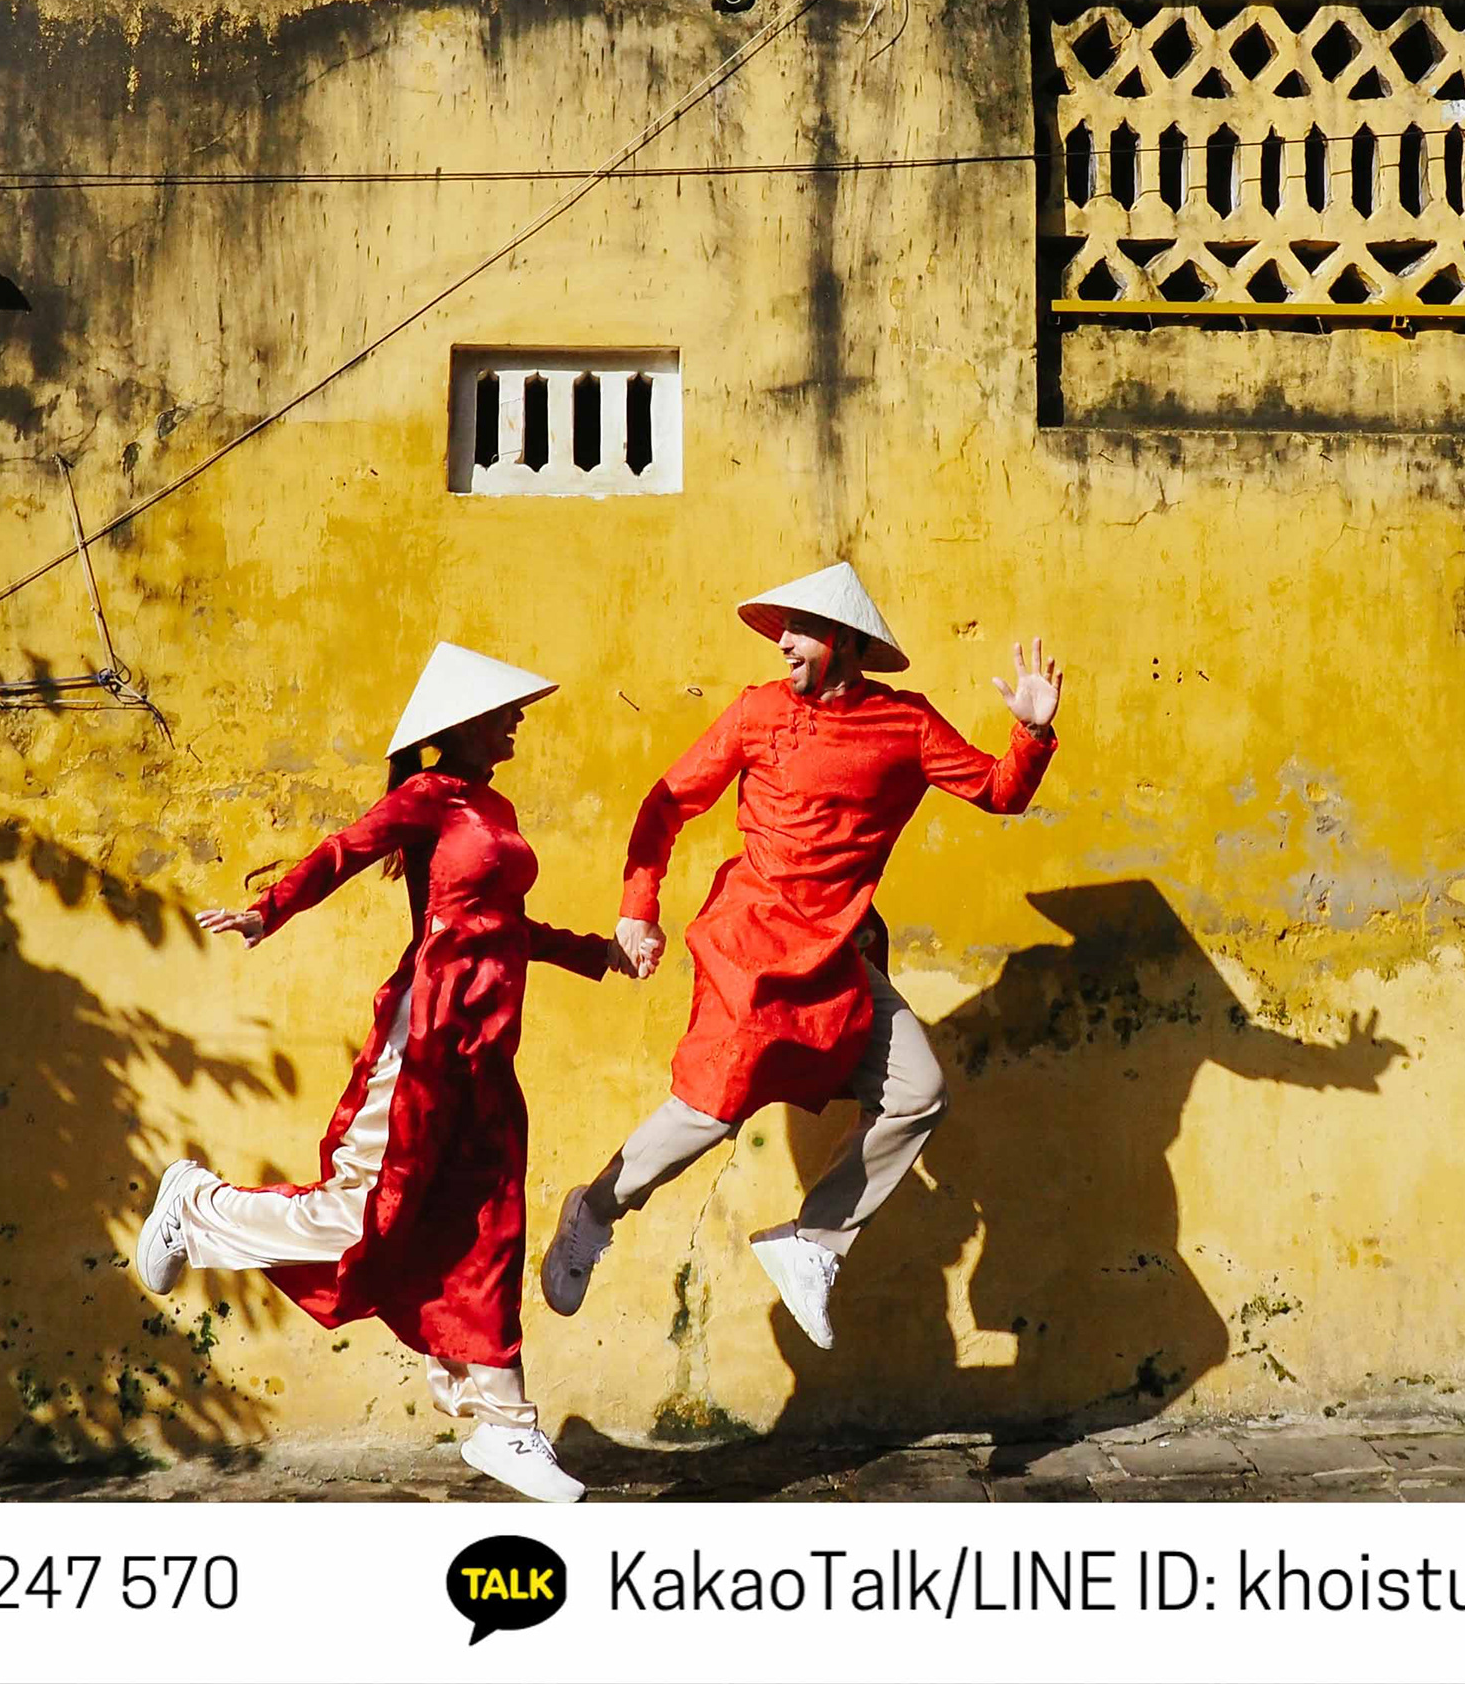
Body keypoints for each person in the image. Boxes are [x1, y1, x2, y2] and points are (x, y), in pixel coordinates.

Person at [132, 641, 613, 1505]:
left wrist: (594, 955)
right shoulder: (428, 797)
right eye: (505, 713)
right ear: (461, 721)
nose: (516, 724)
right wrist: (265, 911)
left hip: (486, 1045)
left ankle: (505, 1424)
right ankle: (198, 1210)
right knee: (363, 1214)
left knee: (490, 1223)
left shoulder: (491, 805)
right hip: (425, 1034)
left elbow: (503, 925)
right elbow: (344, 850)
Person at [540, 559, 1061, 1348]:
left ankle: (814, 1243)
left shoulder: (908, 726)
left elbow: (1000, 791)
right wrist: (636, 909)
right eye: (780, 629)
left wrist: (1033, 730)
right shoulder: (755, 714)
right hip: (750, 948)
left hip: (842, 955)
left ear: (845, 643)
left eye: (800, 631)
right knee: (707, 1116)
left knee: (918, 1091)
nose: (782, 643)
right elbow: (667, 802)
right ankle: (596, 1210)